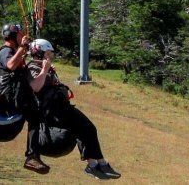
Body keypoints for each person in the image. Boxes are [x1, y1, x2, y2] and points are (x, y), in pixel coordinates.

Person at [27, 39, 121, 180]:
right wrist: (45, 69)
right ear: (39, 53)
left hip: (61, 107)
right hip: (52, 110)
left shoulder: (45, 66)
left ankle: (96, 164)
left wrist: (48, 69)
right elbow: (36, 87)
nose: (50, 56)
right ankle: (98, 164)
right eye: (47, 53)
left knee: (86, 129)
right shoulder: (32, 67)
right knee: (86, 127)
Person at [0, 23, 49, 174]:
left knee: (36, 115)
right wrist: (22, 47)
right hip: (10, 98)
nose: (23, 37)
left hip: (18, 96)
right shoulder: (5, 51)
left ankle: (33, 156)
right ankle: (32, 156)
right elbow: (10, 65)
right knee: (35, 116)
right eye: (20, 34)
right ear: (13, 36)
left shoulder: (14, 51)